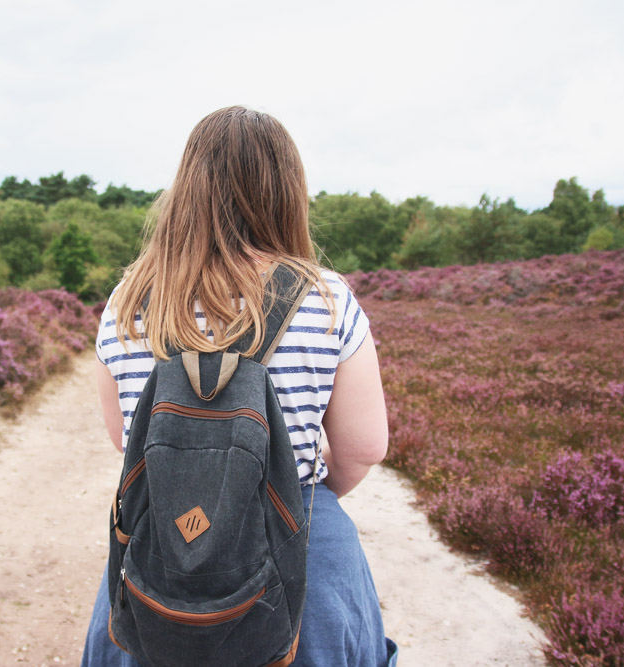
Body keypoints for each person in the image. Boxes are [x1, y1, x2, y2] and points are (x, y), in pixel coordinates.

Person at [81, 106, 398, 666]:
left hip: (162, 550)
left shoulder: (128, 302)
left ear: (187, 188)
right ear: (287, 191)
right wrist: (290, 493)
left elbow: (124, 437)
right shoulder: (326, 300)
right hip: (299, 545)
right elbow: (365, 447)